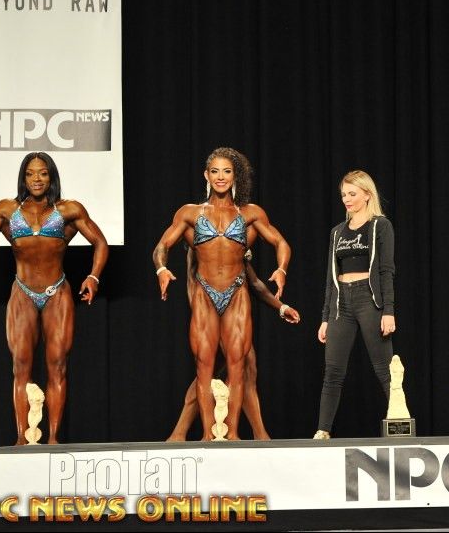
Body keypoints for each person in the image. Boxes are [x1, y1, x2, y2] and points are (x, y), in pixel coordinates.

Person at [0, 152, 108, 445]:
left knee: (58, 365)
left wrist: (93, 277)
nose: (37, 179)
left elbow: (100, 242)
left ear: (51, 176)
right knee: (21, 366)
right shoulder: (7, 210)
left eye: (43, 173)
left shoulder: (69, 209)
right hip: (23, 293)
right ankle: (21, 438)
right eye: (30, 174)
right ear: (23, 178)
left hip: (58, 293)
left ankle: (53, 438)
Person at [153, 147, 290, 441]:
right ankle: (206, 435)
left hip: (236, 293)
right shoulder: (190, 213)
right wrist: (161, 269)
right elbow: (162, 246)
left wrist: (281, 269)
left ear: (235, 176)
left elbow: (280, 242)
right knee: (204, 367)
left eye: (227, 171)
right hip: (204, 293)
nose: (220, 177)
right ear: (206, 175)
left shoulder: (250, 214)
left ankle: (233, 435)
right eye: (214, 171)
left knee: (238, 368)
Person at [166, 230, 301, 442]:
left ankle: (181, 433)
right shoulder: (199, 248)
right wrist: (206, 322)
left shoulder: (233, 249)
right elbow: (193, 284)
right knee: (230, 371)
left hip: (233, 317)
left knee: (243, 371)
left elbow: (254, 283)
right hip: (210, 318)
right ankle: (253, 435)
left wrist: (281, 307)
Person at [314, 170, 396, 440]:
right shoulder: (337, 232)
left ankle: (400, 424)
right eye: (344, 195)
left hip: (368, 299)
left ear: (367, 195)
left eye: (352, 194)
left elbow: (386, 271)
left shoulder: (380, 225)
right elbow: (331, 277)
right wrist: (325, 317)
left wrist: (388, 311)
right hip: (341, 303)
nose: (347, 199)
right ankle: (323, 430)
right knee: (333, 372)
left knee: (384, 369)